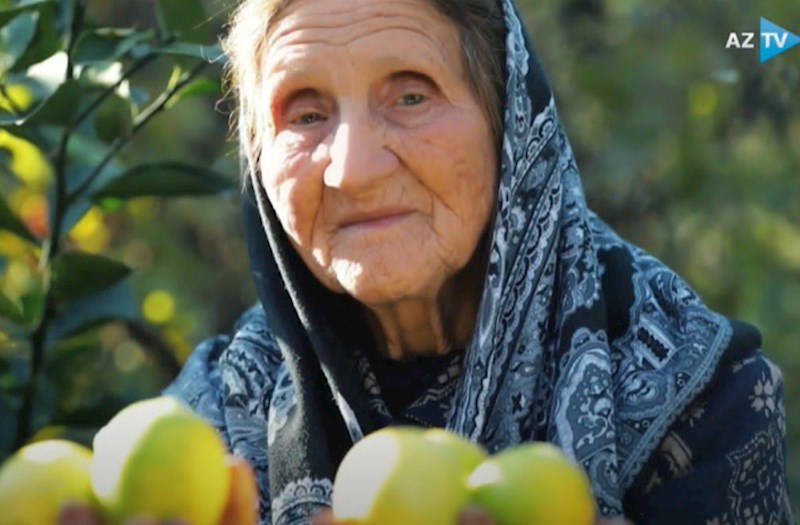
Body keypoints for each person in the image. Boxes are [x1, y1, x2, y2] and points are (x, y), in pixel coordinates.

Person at [61, 0, 794, 524]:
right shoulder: (212, 424)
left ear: (512, 129)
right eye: (306, 113)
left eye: (410, 95)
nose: (353, 168)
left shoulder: (701, 398)